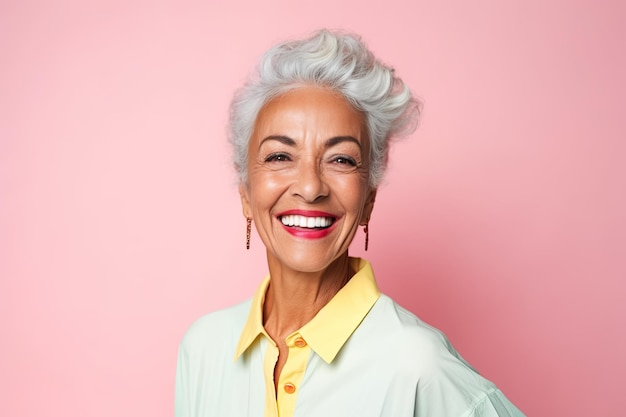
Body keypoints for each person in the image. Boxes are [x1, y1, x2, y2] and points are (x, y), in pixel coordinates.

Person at [175, 29, 525, 417]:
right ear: (245, 192)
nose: (309, 187)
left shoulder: (416, 366)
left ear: (369, 198)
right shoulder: (204, 348)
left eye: (341, 159)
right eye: (279, 157)